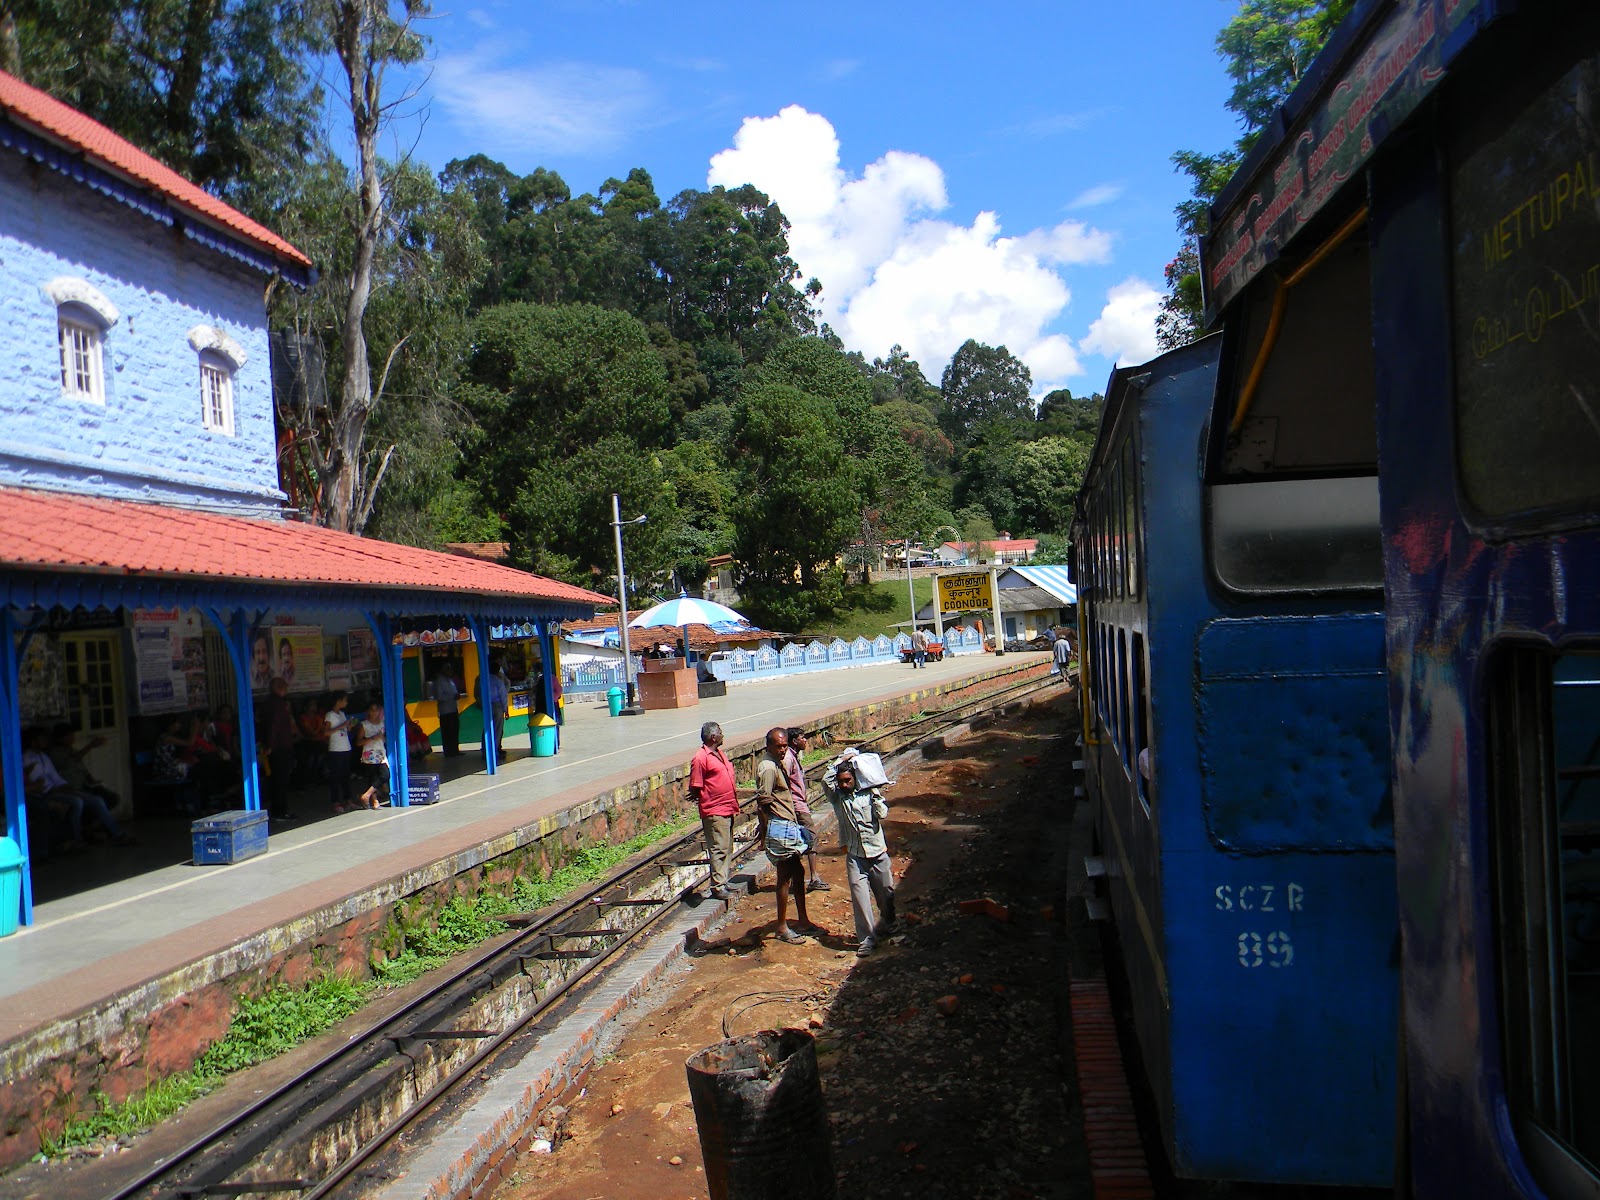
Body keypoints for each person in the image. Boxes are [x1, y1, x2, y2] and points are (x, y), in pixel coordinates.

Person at [823, 750, 896, 956]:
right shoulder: (838, 798)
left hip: (877, 852)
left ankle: (889, 922)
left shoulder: (869, 794)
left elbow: (882, 814)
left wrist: (877, 796)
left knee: (886, 891)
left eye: (848, 781)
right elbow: (825, 779)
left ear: (855, 779)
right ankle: (867, 939)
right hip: (855, 855)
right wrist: (841, 759)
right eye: (841, 782)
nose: (844, 785)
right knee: (860, 897)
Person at [755, 727, 819, 943]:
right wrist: (765, 837)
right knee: (784, 876)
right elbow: (762, 804)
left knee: (798, 872)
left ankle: (803, 920)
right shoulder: (768, 768)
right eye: (778, 746)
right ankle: (783, 926)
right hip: (779, 826)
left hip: (787, 823)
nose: (782, 750)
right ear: (769, 746)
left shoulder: (777, 762)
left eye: (784, 746)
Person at [23, 727, 134, 850]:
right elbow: (37, 783)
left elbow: (55, 776)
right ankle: (77, 839)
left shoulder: (44, 756)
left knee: (97, 800)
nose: (44, 741)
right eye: (41, 739)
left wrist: (64, 785)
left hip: (59, 789)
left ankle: (117, 834)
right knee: (77, 802)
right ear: (33, 741)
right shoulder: (27, 757)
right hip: (45, 793)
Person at [688, 721, 739, 901]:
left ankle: (723, 880)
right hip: (714, 809)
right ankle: (718, 886)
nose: (723, 735)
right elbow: (695, 785)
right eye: (720, 732)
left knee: (727, 846)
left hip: (727, 807)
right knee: (718, 847)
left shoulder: (719, 754)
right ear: (713, 737)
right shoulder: (701, 758)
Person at [784, 727, 829, 893]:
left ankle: (798, 878)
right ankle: (813, 877)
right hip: (796, 806)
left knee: (801, 840)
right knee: (811, 837)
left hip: (797, 804)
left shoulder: (793, 756)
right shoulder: (789, 759)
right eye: (803, 738)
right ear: (794, 741)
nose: (806, 740)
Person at [261, 676, 299, 821]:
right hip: (279, 747)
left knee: (279, 780)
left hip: (278, 746)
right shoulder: (277, 705)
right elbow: (273, 727)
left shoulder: (271, 703)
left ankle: (281, 810)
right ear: (279, 688)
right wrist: (270, 745)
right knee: (280, 780)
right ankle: (279, 811)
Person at [323, 691, 355, 813]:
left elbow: (345, 729)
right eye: (344, 700)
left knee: (346, 776)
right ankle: (335, 801)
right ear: (338, 701)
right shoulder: (330, 715)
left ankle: (348, 799)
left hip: (346, 747)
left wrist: (349, 726)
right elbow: (326, 732)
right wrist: (341, 726)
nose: (346, 702)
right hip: (335, 749)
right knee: (335, 776)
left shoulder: (342, 713)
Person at [355, 700, 390, 809]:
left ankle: (367, 795)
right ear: (368, 712)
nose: (375, 713)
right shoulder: (364, 725)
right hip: (370, 753)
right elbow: (358, 742)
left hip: (380, 753)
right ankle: (374, 801)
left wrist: (381, 738)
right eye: (372, 710)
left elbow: (384, 739)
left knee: (385, 775)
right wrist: (371, 738)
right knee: (374, 777)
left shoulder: (382, 723)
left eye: (376, 710)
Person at [476, 657, 510, 757]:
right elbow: (503, 696)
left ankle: (485, 750)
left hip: (486, 706)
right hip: (497, 706)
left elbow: (477, 693)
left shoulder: (482, 679)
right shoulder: (498, 681)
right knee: (497, 729)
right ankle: (494, 752)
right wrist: (506, 710)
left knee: (487, 728)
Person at [429, 666, 461, 757]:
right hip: (445, 711)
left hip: (453, 708)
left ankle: (455, 750)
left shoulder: (450, 681)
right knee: (447, 732)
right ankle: (448, 751)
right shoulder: (439, 681)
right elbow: (439, 697)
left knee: (454, 730)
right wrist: (451, 697)